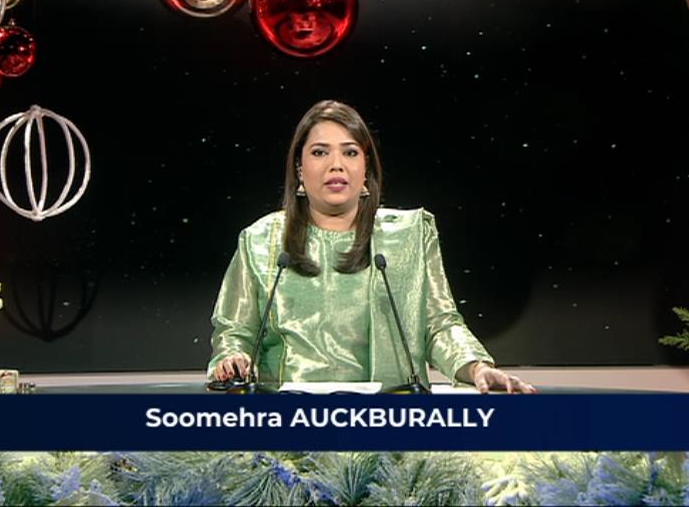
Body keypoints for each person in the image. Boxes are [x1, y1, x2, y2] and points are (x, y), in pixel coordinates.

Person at [207, 100, 535, 394]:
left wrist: (477, 367)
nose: (336, 164)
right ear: (299, 168)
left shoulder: (409, 235)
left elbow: (439, 325)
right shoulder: (261, 241)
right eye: (320, 152)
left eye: (350, 152)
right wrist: (232, 358)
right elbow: (235, 332)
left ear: (366, 168)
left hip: (390, 420)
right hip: (286, 422)